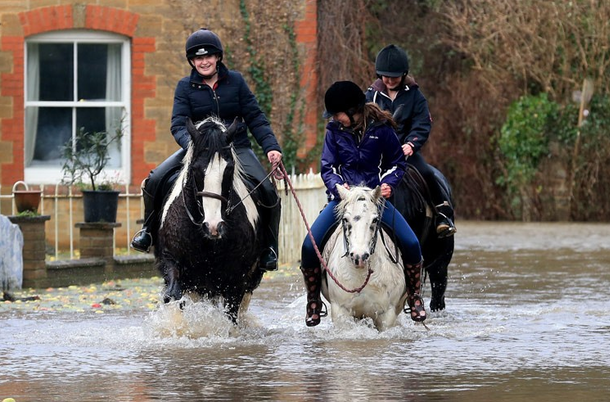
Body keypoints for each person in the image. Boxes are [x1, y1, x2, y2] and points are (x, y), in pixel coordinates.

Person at [130, 28, 283, 272]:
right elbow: (178, 124)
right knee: (155, 180)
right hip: (197, 150)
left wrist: (271, 148)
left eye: (209, 56)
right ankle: (148, 232)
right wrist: (195, 146)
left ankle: (269, 248)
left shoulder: (236, 81)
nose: (204, 61)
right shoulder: (185, 87)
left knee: (268, 191)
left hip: (236, 149)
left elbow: (256, 118)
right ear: (192, 61)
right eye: (198, 58)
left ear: (218, 57)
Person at [301, 80, 427, 326]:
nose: (336, 119)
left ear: (353, 110)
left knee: (412, 244)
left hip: (374, 200)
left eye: (338, 114)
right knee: (308, 246)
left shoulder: (382, 129)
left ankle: (414, 296)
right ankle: (314, 301)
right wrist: (339, 188)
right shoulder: (334, 131)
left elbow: (397, 163)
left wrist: (388, 183)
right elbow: (327, 167)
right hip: (343, 201)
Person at [366, 44, 456, 238]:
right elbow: (365, 124)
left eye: (394, 77)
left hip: (405, 152)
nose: (389, 80)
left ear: (404, 74)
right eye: (386, 76)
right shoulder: (370, 95)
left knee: (427, 172)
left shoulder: (415, 95)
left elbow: (422, 123)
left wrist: (411, 144)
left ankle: (442, 213)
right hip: (378, 154)